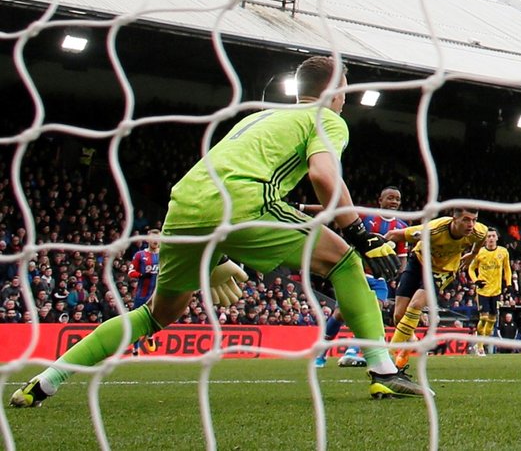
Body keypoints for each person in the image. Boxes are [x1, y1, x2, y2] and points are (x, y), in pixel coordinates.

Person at [11, 56, 428, 408]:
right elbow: (323, 173)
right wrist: (357, 230)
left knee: (157, 314)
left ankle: (46, 381)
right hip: (243, 202)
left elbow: (227, 179)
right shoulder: (327, 119)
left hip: (186, 205)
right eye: (345, 90)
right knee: (345, 261)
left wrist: (218, 253)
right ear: (334, 91)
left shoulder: (263, 117)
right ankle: (382, 370)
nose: (344, 98)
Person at [311, 186, 407, 368]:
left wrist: (396, 273)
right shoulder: (365, 217)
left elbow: (402, 258)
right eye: (390, 198)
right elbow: (339, 215)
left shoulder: (401, 227)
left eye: (397, 199)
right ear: (380, 200)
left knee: (373, 312)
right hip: (355, 274)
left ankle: (352, 351)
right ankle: (321, 351)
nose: (394, 202)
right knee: (340, 314)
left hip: (379, 281)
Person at [384, 208, 488, 369]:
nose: (471, 225)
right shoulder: (434, 229)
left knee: (416, 305)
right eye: (466, 220)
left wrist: (473, 255)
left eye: (474, 220)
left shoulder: (479, 232)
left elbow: (482, 239)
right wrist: (378, 247)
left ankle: (389, 356)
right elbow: (393, 234)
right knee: (399, 315)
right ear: (454, 218)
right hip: (418, 262)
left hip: (442, 272)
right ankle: (411, 343)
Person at [469, 227, 511, 356]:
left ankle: (480, 343)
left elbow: (507, 269)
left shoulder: (503, 252)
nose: (491, 238)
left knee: (492, 320)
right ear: (485, 239)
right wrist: (476, 280)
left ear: (497, 237)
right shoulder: (480, 253)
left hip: (496, 291)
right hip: (483, 291)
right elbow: (471, 269)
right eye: (488, 236)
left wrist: (508, 285)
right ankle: (480, 346)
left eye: (493, 236)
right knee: (484, 318)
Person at [128, 230, 161, 356]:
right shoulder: (140, 255)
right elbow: (130, 272)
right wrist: (141, 275)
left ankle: (150, 335)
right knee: (137, 322)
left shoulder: (164, 255)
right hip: (142, 295)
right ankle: (135, 349)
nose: (155, 240)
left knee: (154, 320)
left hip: (157, 295)